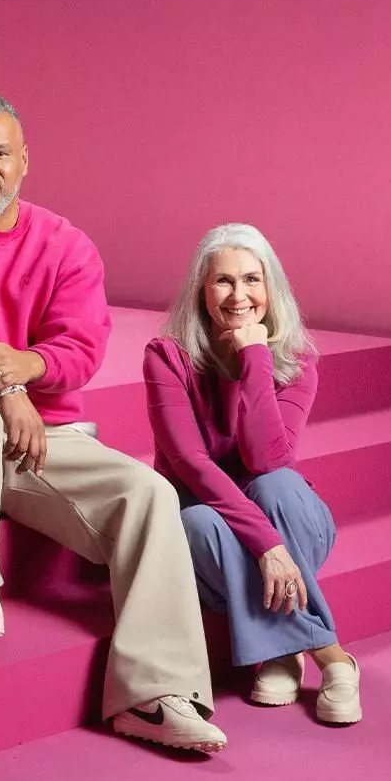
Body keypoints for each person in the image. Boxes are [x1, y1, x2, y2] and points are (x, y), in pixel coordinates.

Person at [0, 93, 228, 753]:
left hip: (46, 443)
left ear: (23, 163)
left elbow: (81, 351)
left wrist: (25, 367)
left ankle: (154, 696)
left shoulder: (66, 244)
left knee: (150, 494)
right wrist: (7, 382)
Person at [146, 224, 360, 724]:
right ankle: (331, 658)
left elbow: (268, 459)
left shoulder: (297, 359)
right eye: (223, 281)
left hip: (291, 522)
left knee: (275, 484)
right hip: (219, 525)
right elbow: (191, 466)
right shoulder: (167, 356)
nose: (239, 295)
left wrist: (255, 358)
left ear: (271, 288)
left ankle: (284, 650)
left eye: (251, 280)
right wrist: (266, 544)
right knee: (196, 521)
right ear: (201, 289)